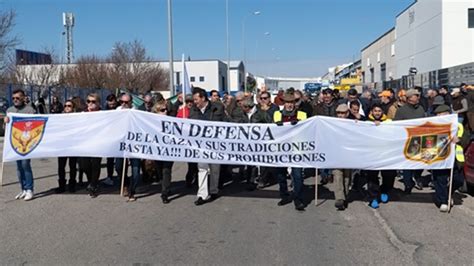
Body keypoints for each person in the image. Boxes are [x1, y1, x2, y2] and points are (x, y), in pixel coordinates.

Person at [189, 87, 225, 205]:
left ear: (203, 98)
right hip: (201, 145)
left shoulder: (217, 107)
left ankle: (214, 190)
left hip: (215, 144)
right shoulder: (193, 110)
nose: (195, 102)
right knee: (202, 169)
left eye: (196, 99)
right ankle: (202, 194)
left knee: (215, 169)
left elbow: (226, 122)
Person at [273, 93, 307, 211]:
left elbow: (306, 130)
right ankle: (284, 195)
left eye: (291, 102)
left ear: (295, 103)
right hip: (281, 149)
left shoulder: (302, 115)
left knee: (297, 175)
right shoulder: (277, 114)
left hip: (296, 149)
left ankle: (298, 198)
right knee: (281, 175)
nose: (289, 105)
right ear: (284, 103)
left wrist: (298, 124)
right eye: (287, 102)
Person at [4, 89, 36, 201]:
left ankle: (30, 189)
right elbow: (7, 129)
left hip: (27, 143)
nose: (15, 100)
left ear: (23, 98)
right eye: (13, 98)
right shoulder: (10, 110)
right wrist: (6, 122)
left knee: (25, 165)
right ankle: (23, 189)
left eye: (17, 98)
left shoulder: (30, 110)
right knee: (18, 167)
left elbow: (34, 125)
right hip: (15, 142)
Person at [431, 104, 465, 212]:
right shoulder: (432, 127)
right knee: (440, 179)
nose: (441, 116)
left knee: (458, 180)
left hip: (455, 158)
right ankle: (443, 201)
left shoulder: (458, 126)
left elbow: (466, 138)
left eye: (444, 114)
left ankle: (448, 192)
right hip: (439, 157)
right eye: (439, 115)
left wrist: (459, 139)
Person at [394, 89, 426, 193]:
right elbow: (397, 126)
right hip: (407, 141)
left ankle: (417, 177)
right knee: (407, 164)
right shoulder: (401, 110)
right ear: (409, 98)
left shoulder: (421, 109)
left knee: (420, 162)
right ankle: (408, 184)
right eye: (415, 96)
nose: (417, 98)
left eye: (418, 96)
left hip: (420, 139)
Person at [365, 103, 397, 209]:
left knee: (389, 175)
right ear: (371, 112)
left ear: (382, 112)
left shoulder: (389, 122)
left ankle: (384, 191)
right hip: (372, 154)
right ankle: (373, 198)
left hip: (386, 153)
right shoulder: (366, 123)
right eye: (375, 111)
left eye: (379, 111)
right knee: (372, 177)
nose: (377, 113)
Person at [115, 93, 142, 202]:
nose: (124, 104)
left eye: (126, 102)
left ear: (131, 102)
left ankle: (132, 191)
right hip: (121, 145)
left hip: (134, 145)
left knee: (135, 171)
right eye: (122, 102)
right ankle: (125, 184)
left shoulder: (137, 112)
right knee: (119, 167)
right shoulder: (117, 112)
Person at [152, 101, 175, 204]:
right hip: (157, 151)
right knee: (159, 170)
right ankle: (165, 185)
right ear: (156, 112)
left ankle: (164, 193)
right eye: (162, 110)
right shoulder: (151, 122)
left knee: (166, 170)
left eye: (166, 110)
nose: (165, 111)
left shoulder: (171, 121)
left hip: (169, 151)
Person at [81, 93, 103, 198]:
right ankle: (91, 181)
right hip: (84, 144)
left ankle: (93, 185)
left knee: (95, 164)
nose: (90, 104)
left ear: (98, 103)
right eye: (88, 101)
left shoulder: (104, 114)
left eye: (93, 102)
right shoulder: (82, 114)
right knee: (84, 165)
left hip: (98, 143)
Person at [332, 104, 353, 210]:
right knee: (337, 174)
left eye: (343, 113)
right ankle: (339, 198)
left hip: (348, 154)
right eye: (338, 113)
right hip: (336, 153)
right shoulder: (331, 124)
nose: (340, 115)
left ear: (347, 113)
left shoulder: (353, 124)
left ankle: (345, 195)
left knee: (347, 177)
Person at [55, 100, 78, 193]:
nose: (67, 107)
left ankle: (72, 184)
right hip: (62, 145)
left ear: (73, 108)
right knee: (61, 166)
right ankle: (62, 185)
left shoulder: (77, 117)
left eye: (69, 106)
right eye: (65, 106)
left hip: (73, 145)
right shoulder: (60, 117)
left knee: (72, 166)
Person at [176, 95, 198, 188]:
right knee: (191, 164)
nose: (190, 103)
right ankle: (189, 179)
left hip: (196, 140)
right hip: (187, 141)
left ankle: (197, 179)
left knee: (198, 163)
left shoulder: (196, 111)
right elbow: (177, 124)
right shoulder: (182, 111)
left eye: (191, 101)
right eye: (188, 101)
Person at [102, 93, 119, 186]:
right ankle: (109, 176)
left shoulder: (120, 109)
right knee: (110, 159)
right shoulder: (105, 110)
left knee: (119, 160)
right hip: (109, 137)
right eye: (110, 104)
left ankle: (120, 175)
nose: (112, 106)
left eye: (113, 104)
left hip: (119, 135)